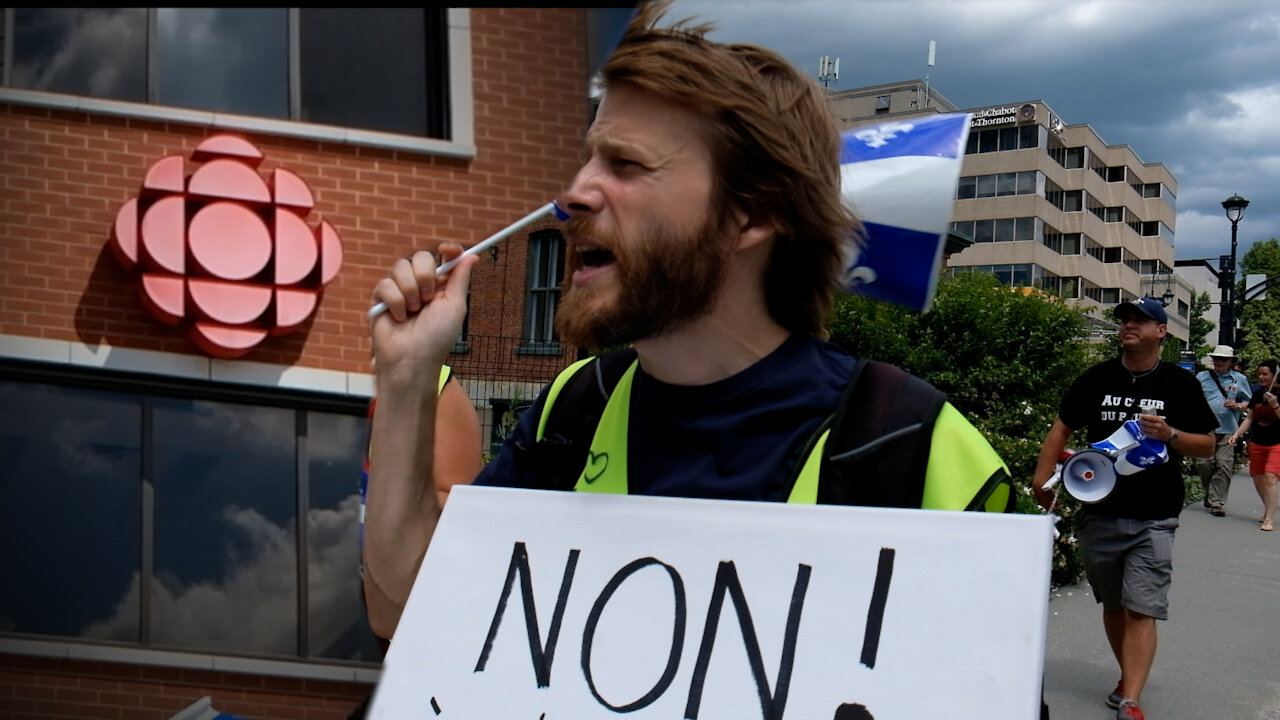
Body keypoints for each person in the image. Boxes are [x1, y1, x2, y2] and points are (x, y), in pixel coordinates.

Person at [365, 0, 1011, 655]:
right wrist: (408, 376)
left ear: (750, 218)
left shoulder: (912, 445)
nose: (572, 196)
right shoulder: (577, 405)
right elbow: (410, 608)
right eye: (586, 161)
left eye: (625, 165)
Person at [1033, 297, 1216, 720]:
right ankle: (1126, 675)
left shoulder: (1180, 384)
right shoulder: (1096, 378)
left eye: (1140, 320)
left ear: (1161, 332)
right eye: (1125, 320)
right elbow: (1062, 426)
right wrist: (1041, 478)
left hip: (1155, 514)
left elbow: (1207, 444)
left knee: (1141, 607)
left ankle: (1130, 700)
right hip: (1099, 510)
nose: (1129, 325)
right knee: (1114, 604)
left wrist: (1170, 434)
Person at [1195, 345, 1250, 516]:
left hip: (1228, 428)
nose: (1219, 362)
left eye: (1223, 359)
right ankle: (1210, 493)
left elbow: (1250, 402)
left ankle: (1216, 502)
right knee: (1204, 463)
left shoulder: (1239, 379)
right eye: (1216, 358)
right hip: (1205, 428)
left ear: (1231, 362)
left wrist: (1238, 405)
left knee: (1223, 464)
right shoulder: (1202, 377)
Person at [1228, 358, 1280, 532]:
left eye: (1265, 374)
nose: (1261, 377)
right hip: (1257, 441)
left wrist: (1275, 405)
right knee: (1258, 479)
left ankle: (1270, 519)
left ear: (1275, 375)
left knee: (1270, 478)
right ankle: (1268, 508)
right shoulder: (1257, 392)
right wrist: (1237, 434)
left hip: (1276, 443)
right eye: (1259, 374)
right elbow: (1250, 417)